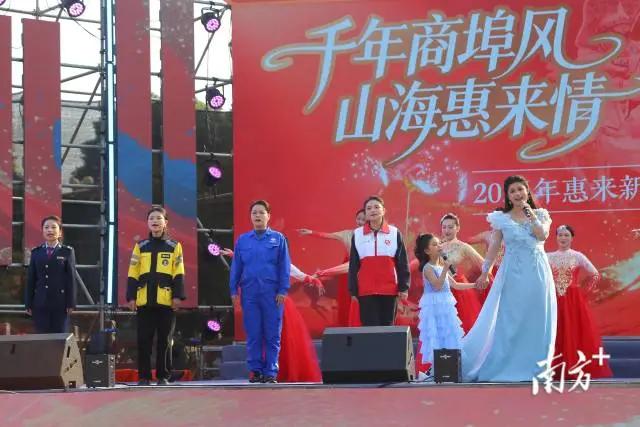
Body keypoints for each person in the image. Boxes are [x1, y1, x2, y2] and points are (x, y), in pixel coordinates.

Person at [463, 175, 557, 382]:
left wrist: (530, 213)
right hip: (513, 273)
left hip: (537, 273)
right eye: (512, 191)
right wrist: (485, 271)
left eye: (520, 189)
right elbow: (494, 247)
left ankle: (536, 369)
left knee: (537, 319)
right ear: (507, 196)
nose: (517, 194)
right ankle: (505, 366)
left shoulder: (540, 214)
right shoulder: (501, 218)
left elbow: (542, 235)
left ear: (527, 191)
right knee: (511, 319)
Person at [229, 200, 291, 383]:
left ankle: (271, 372)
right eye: (254, 212)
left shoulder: (278, 239)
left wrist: (283, 290)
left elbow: (284, 267)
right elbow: (236, 267)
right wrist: (233, 290)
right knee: (254, 333)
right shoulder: (243, 240)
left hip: (272, 294)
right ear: (250, 216)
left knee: (272, 334)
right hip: (249, 293)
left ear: (268, 216)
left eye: (261, 212)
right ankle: (255, 371)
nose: (257, 216)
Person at [127, 206, 186, 386]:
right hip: (144, 300)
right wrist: (131, 297)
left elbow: (179, 272)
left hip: (166, 300)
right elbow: (133, 272)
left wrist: (177, 296)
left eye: (158, 218)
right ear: (147, 222)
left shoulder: (174, 246)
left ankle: (163, 376)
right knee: (143, 340)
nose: (155, 221)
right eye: (151, 218)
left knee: (165, 341)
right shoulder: (141, 246)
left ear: (165, 222)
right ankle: (144, 377)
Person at [547, 225, 612, 379]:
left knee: (573, 332)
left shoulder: (578, 256)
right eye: (560, 235)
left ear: (572, 238)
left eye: (566, 235)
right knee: (555, 332)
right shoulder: (547, 256)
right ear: (556, 237)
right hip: (553, 300)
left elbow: (595, 274)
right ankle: (553, 369)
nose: (563, 238)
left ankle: (573, 368)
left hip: (573, 301)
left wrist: (582, 292)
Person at [414, 233, 475, 375]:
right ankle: (438, 369)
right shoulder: (428, 268)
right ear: (427, 251)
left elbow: (455, 285)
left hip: (446, 306)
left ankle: (450, 369)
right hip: (435, 307)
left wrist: (474, 285)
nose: (439, 246)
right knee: (437, 335)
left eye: (439, 243)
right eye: (434, 244)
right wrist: (446, 269)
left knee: (448, 334)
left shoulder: (441, 265)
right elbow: (437, 285)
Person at [348, 196, 410, 326]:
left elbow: (402, 263)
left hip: (389, 290)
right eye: (369, 208)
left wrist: (404, 288)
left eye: (376, 207)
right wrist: (353, 290)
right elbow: (353, 265)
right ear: (365, 213)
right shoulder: (358, 234)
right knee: (369, 329)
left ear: (383, 211)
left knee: (387, 328)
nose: (373, 210)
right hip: (365, 291)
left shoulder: (394, 233)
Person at [298, 209, 366, 327]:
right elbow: (327, 235)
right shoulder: (347, 234)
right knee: (347, 300)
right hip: (348, 271)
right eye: (358, 219)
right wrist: (311, 232)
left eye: (363, 219)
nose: (360, 222)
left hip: (365, 272)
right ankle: (348, 327)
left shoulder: (374, 237)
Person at [25, 215, 77, 333]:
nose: (50, 230)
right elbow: (31, 279)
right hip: (40, 303)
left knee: (59, 338)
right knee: (42, 338)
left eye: (53, 227)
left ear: (60, 232)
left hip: (60, 303)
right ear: (42, 231)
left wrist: (71, 303)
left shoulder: (67, 251)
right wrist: (28, 303)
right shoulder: (36, 252)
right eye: (46, 227)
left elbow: (71, 279)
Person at [440, 213, 483, 332]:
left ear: (457, 228)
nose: (447, 230)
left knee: (460, 327)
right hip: (440, 288)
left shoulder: (464, 247)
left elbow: (483, 263)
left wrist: (485, 276)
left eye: (450, 227)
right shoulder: (437, 247)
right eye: (444, 227)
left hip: (458, 290)